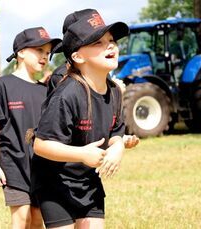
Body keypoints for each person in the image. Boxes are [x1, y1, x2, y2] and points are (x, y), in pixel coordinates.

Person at [31, 10, 131, 228]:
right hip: (55, 181)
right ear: (77, 56)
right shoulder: (66, 95)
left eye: (111, 40)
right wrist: (82, 154)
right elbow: (40, 145)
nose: (110, 46)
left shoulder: (114, 91)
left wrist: (118, 148)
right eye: (98, 42)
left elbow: (116, 132)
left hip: (88, 180)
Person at [0, 27, 60, 229]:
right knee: (22, 219)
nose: (45, 57)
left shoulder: (46, 91)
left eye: (48, 53)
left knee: (37, 221)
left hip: (41, 167)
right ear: (21, 52)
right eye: (39, 50)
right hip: (13, 165)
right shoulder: (2, 85)